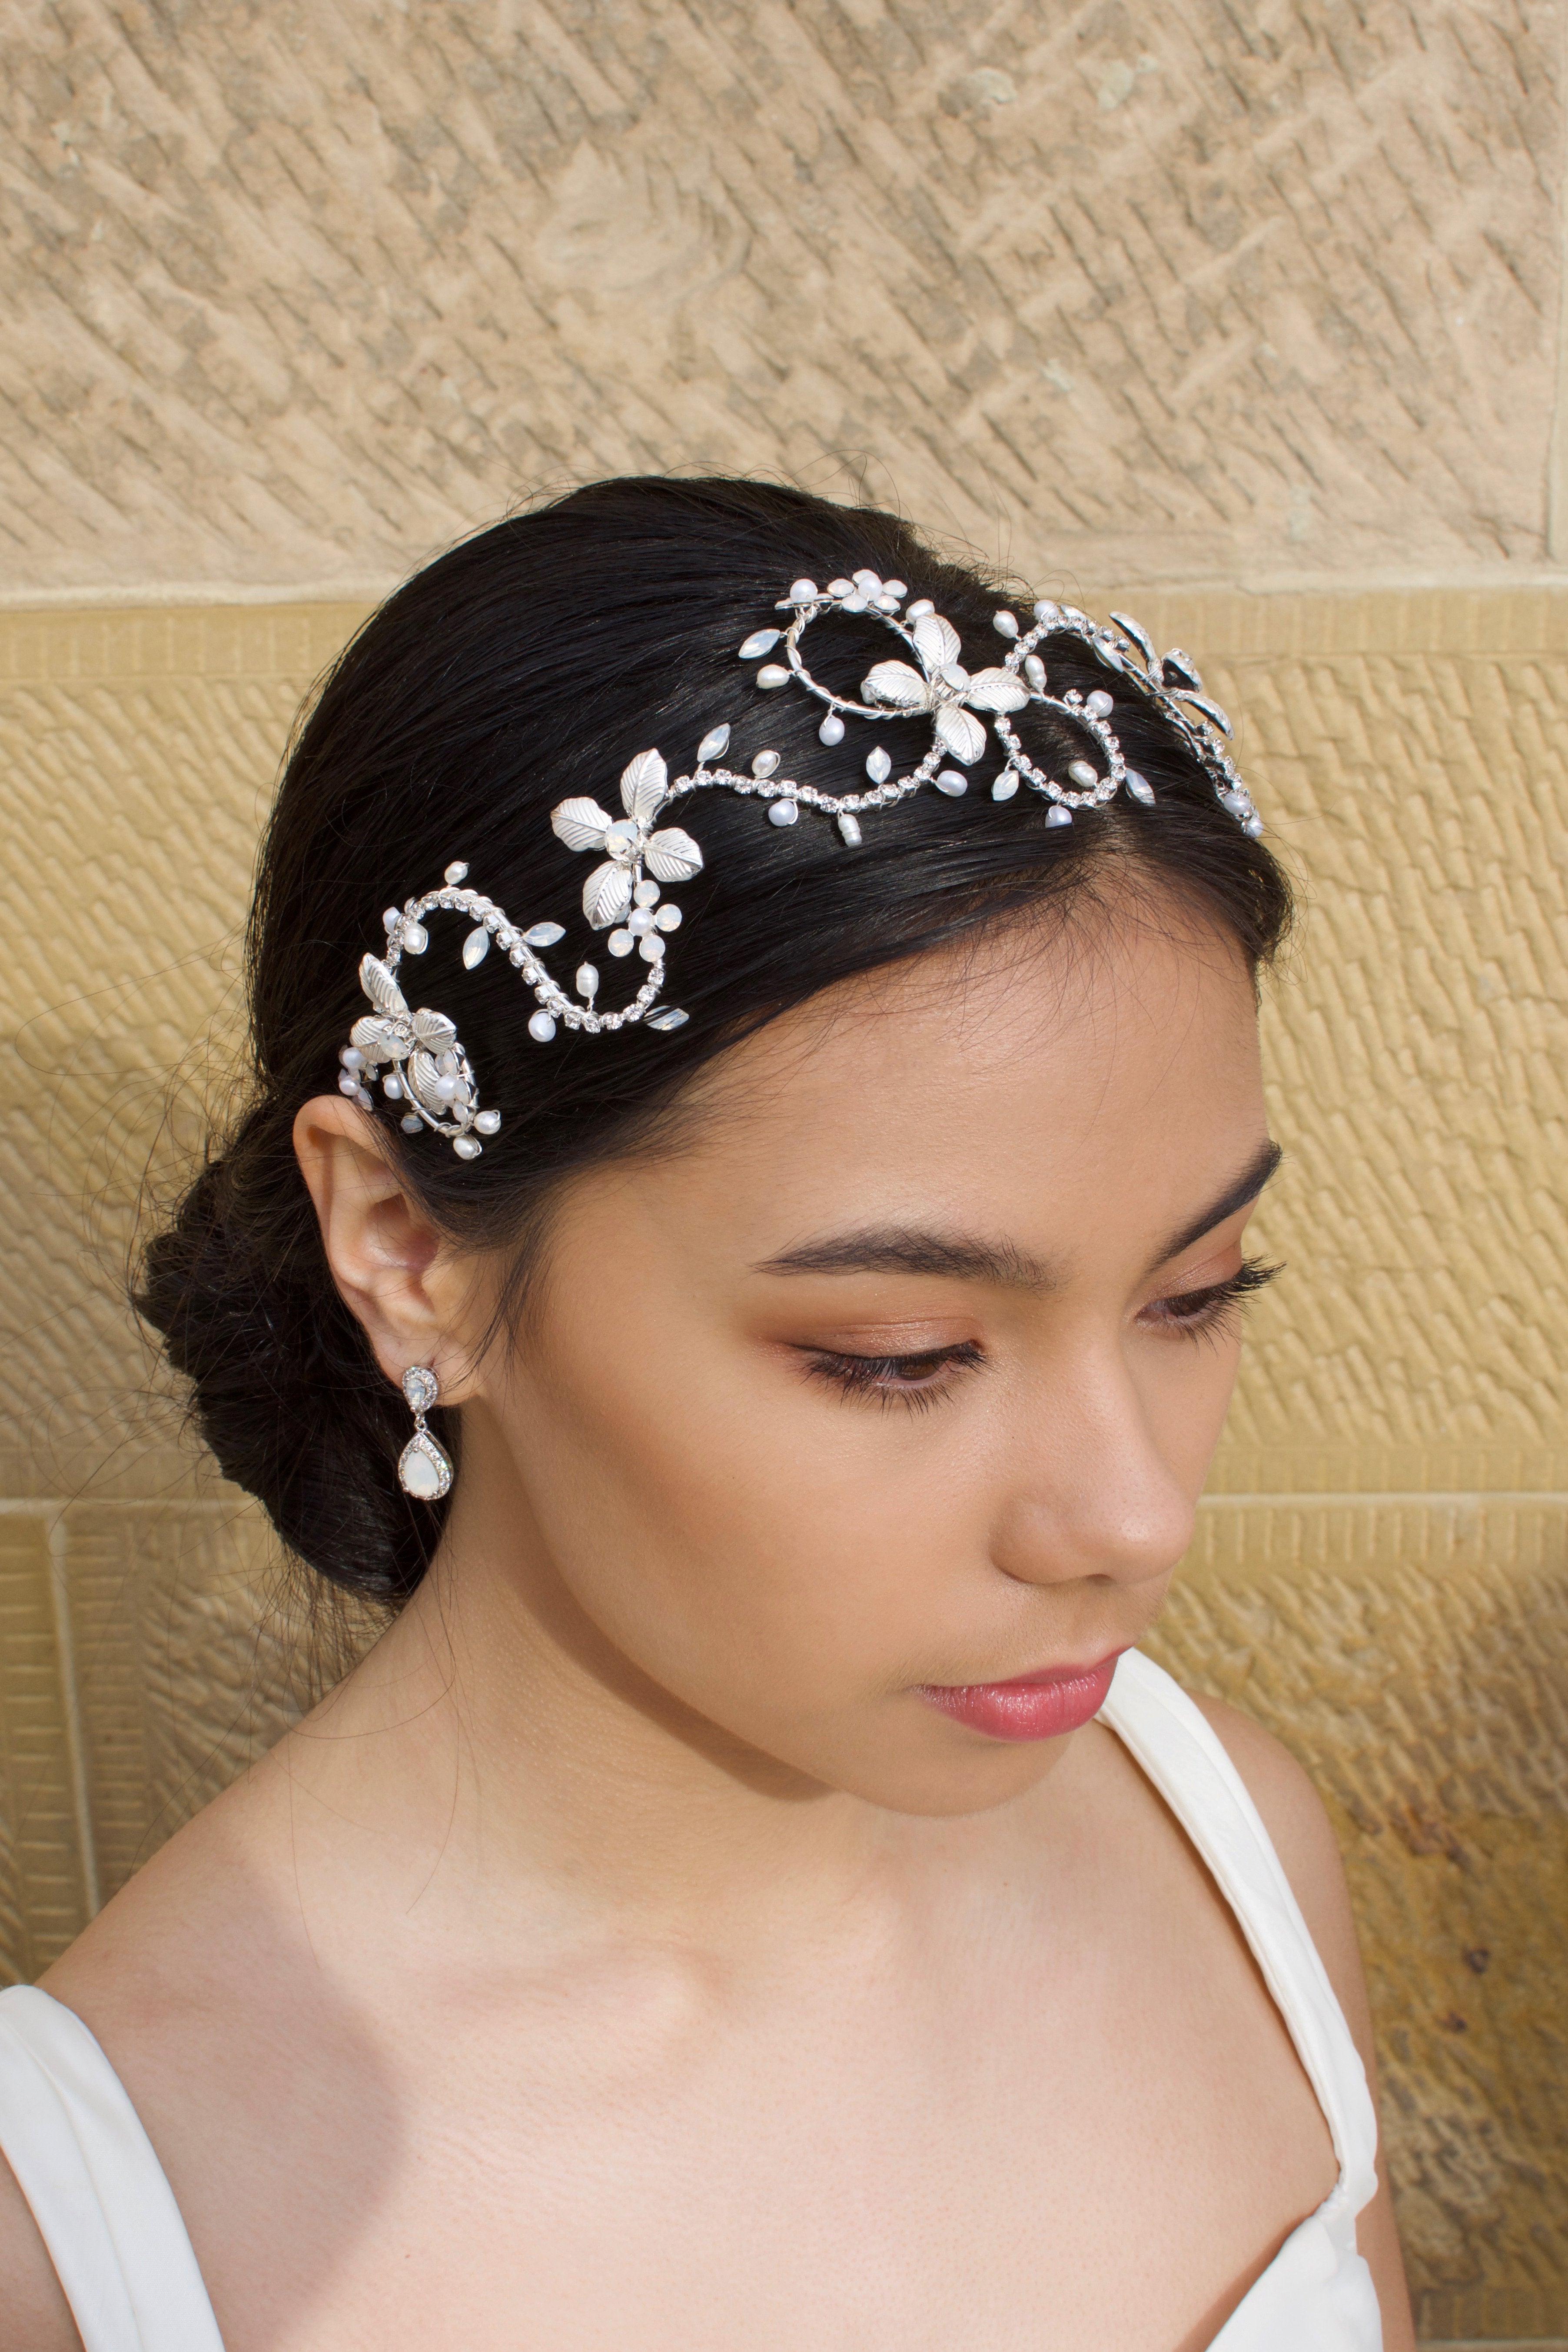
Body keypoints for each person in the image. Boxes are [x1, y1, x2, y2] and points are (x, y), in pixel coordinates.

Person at [0, 477, 1414, 2350]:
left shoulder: (1225, 1846)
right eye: (895, 1355)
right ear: (408, 1244)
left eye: (1192, 1295)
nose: (1126, 1517)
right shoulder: (100, 2239)